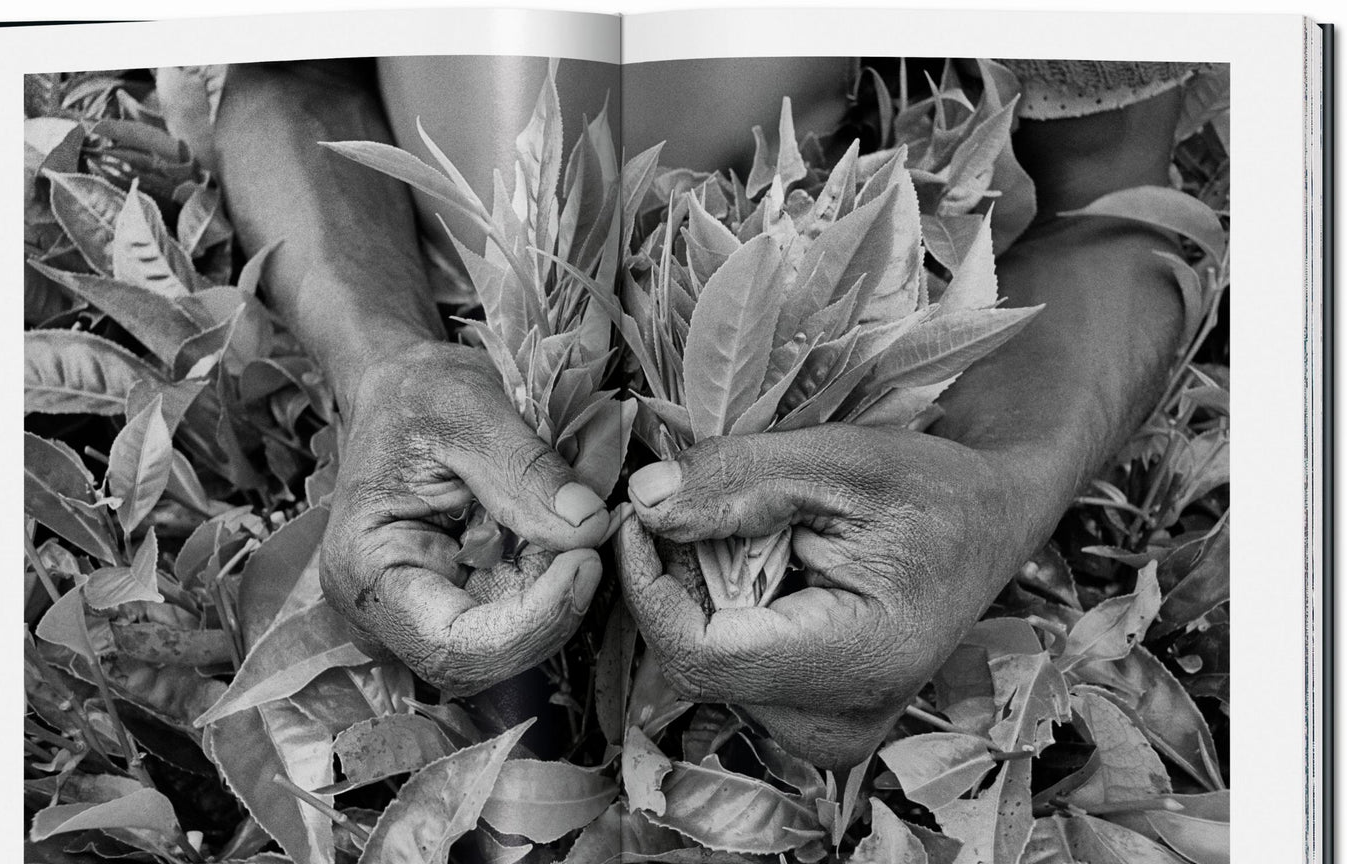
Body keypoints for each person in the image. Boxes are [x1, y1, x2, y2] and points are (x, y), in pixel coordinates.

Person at [212, 56, 1199, 769]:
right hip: (455, 314)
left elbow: (1106, 197)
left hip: (800, 346)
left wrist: (998, 484)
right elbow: (283, 72)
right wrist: (378, 358)